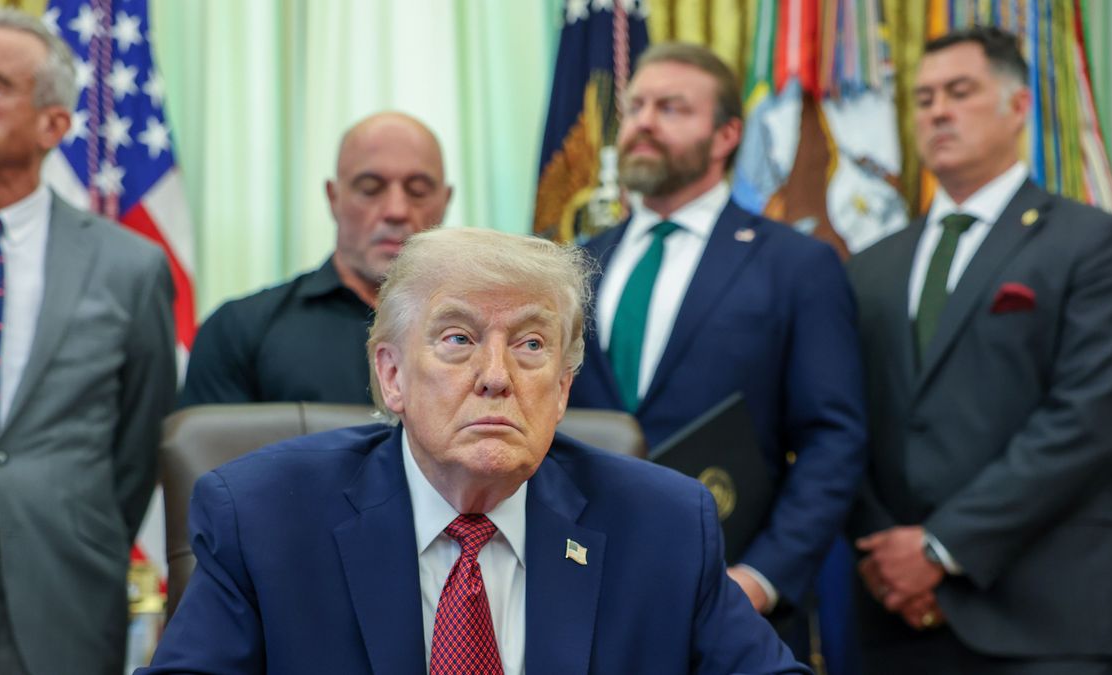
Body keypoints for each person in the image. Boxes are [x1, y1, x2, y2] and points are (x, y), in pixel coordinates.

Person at [143, 228, 809, 674]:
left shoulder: (663, 526)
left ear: (562, 388)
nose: (497, 374)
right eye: (458, 338)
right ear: (392, 375)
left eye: (530, 345)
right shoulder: (263, 518)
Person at [568, 41, 866, 635]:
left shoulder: (796, 265)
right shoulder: (572, 266)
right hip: (581, 596)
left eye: (672, 108)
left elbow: (833, 438)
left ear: (727, 134)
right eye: (638, 107)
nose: (645, 122)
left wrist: (762, 576)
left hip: (730, 604)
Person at [847, 26, 1112, 674]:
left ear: (1018, 107)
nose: (938, 110)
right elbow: (844, 419)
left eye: (960, 92)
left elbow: (1087, 418)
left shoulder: (1090, 243)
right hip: (895, 617)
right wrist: (888, 553)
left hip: (1045, 618)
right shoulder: (871, 266)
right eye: (923, 98)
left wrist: (940, 547)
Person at [0, 9, 176, 675]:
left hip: (66, 595)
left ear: (54, 124)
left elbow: (139, 438)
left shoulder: (130, 266)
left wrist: (73, 522)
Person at [177, 111, 453, 407]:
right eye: (370, 188)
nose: (396, 210)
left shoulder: (493, 333)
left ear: (446, 200)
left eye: (418, 191)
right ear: (333, 198)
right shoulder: (239, 330)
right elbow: (213, 451)